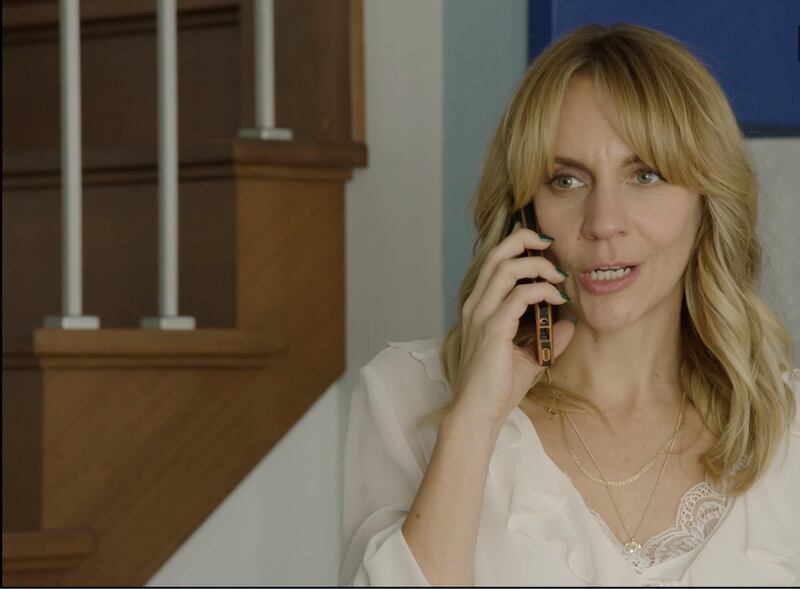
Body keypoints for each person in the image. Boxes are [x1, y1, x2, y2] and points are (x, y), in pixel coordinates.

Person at [339, 22, 799, 586]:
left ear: (707, 203)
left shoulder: (786, 425)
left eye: (645, 175)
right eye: (566, 181)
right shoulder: (407, 395)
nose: (603, 222)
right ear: (524, 211)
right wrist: (475, 418)